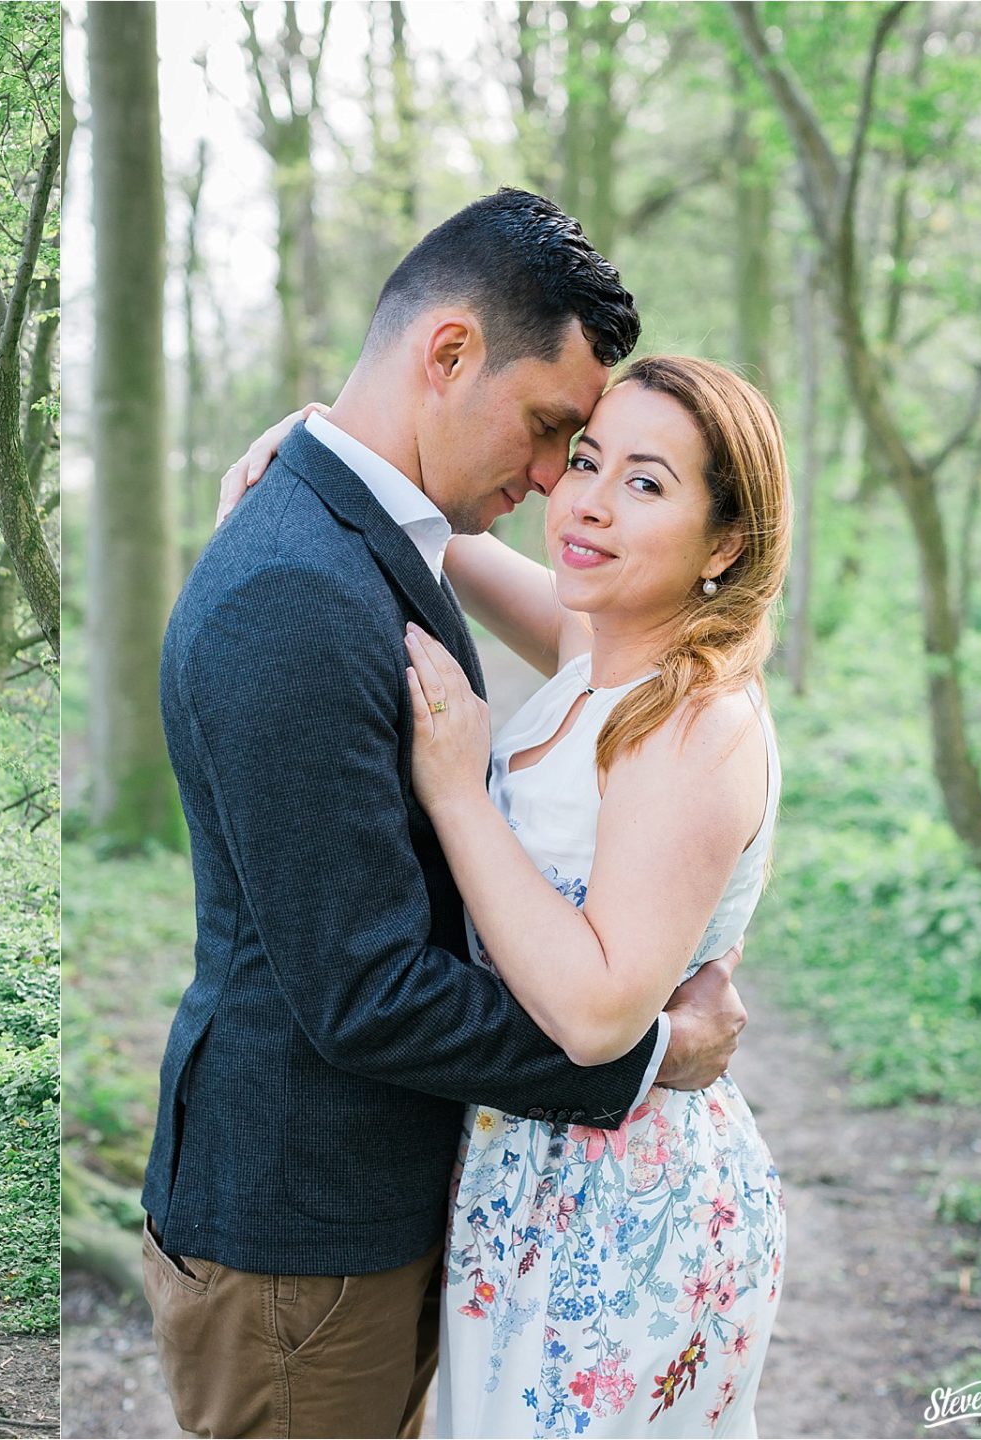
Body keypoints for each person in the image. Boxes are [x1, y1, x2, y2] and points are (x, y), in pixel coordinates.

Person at [142, 189, 749, 1439]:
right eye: (555, 438)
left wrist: (317, 434)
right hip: (303, 1231)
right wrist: (654, 1060)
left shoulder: (374, 542)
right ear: (450, 354)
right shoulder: (295, 591)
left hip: (425, 1209)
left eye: (606, 464)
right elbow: (363, 987)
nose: (551, 486)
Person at [229, 355, 791, 1434]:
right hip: (531, 1169)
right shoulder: (604, 650)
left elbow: (594, 1014)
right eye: (586, 460)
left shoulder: (696, 721)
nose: (586, 500)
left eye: (646, 482)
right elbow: (457, 543)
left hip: (626, 1204)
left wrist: (457, 791)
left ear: (725, 544)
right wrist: (330, 437)